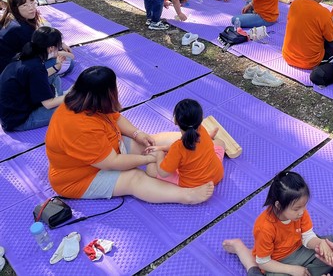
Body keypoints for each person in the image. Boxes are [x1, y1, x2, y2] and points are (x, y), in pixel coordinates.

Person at [45, 66, 215, 203]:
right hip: (80, 177)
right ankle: (186, 196)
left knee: (150, 144)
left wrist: (137, 133)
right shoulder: (79, 128)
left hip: (107, 147)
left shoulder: (85, 99)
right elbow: (112, 163)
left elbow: (115, 117)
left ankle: (201, 143)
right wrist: (150, 159)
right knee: (135, 178)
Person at [223, 171, 333, 276]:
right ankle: (242, 251)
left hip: (299, 251)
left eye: (304, 206)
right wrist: (292, 269)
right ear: (278, 205)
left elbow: (307, 237)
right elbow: (264, 263)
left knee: (331, 258)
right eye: (297, 209)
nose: (302, 212)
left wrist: (319, 243)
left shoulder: (300, 212)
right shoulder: (264, 227)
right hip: (276, 262)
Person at [144, 99, 225, 188]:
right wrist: (162, 147)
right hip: (217, 174)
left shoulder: (178, 148)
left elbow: (163, 173)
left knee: (150, 168)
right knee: (219, 142)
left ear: (175, 121)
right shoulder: (202, 130)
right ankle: (211, 137)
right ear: (201, 119)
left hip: (195, 183)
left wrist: (160, 155)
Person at [0, 27, 65, 131]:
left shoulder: (24, 56)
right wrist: (74, 96)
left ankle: (61, 97)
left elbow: (37, 77)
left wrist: (56, 67)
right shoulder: (36, 67)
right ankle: (63, 98)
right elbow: (49, 104)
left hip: (12, 110)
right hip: (19, 120)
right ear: (51, 48)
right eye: (59, 46)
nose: (60, 49)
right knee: (70, 106)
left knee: (55, 77)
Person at [0, 0, 74, 76]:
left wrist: (60, 44)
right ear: (15, 8)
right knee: (68, 62)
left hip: (10, 62)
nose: (31, 8)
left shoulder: (9, 17)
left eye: (32, 3)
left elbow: (40, 33)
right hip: (10, 70)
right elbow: (37, 55)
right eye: (25, 5)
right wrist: (61, 53)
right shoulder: (21, 28)